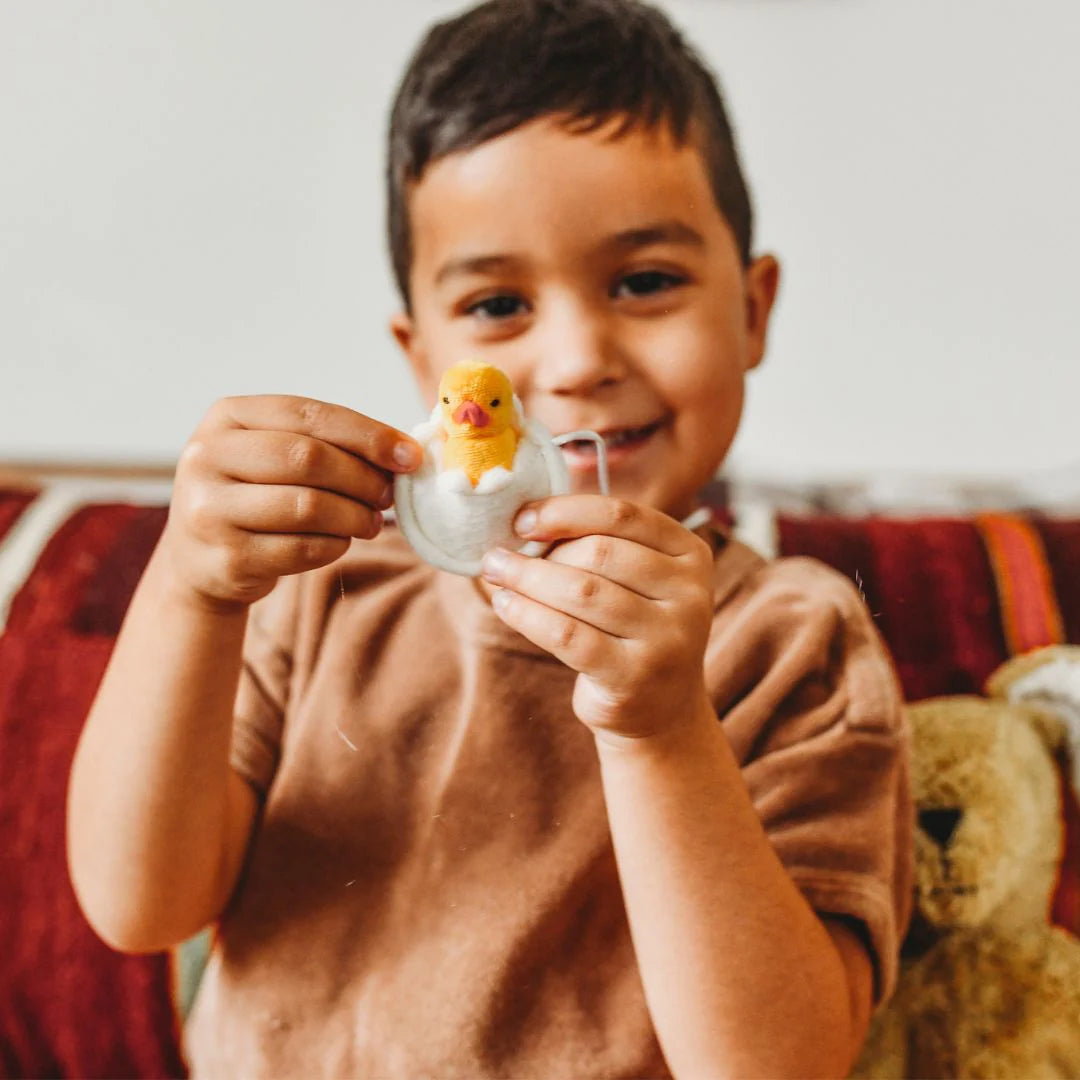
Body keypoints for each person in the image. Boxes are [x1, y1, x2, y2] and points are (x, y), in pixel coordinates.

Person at [67, 1, 913, 1076]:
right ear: (421, 360)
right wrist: (190, 593)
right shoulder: (320, 594)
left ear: (753, 311)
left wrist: (659, 731)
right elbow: (138, 905)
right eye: (500, 304)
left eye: (644, 282)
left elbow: (779, 1062)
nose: (572, 361)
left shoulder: (792, 639)